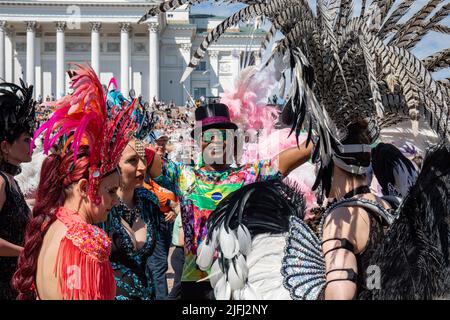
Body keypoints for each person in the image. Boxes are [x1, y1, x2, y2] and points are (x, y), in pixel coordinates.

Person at [149, 102, 312, 299]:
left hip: (237, 280)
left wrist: (324, 140)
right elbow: (147, 160)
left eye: (224, 135)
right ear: (199, 142)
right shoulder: (184, 176)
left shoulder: (248, 176)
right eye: (208, 136)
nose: (216, 142)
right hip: (195, 282)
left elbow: (285, 161)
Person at [12, 64, 136, 300]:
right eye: (110, 190)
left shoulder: (48, 227)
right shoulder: (86, 241)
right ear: (83, 188)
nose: (115, 199)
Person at [100, 139, 160, 300]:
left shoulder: (150, 202)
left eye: (143, 159)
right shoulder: (100, 207)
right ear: (113, 165)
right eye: (132, 160)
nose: (142, 167)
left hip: (149, 293)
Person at [0, 80, 36, 299]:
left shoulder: (11, 182)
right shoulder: (1, 182)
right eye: (25, 139)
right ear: (5, 146)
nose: (31, 144)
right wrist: (24, 252)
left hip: (16, 282)